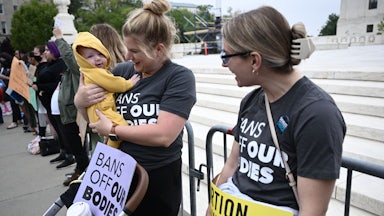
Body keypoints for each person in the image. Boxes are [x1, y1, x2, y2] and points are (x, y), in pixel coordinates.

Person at [206, 6, 346, 216]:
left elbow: (313, 211)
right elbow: (232, 165)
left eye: (226, 56)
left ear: (254, 60)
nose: (225, 65)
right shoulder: (251, 101)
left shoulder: (317, 115)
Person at [74, 0, 196, 214]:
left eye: (134, 51)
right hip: (115, 172)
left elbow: (163, 135)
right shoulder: (123, 71)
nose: (128, 56)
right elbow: (95, 115)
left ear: (158, 50)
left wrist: (112, 130)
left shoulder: (179, 77)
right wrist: (80, 102)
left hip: (156, 177)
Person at [72, 31, 140, 148]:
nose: (97, 59)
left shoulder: (91, 72)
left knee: (112, 132)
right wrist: (129, 83)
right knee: (121, 128)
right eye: (90, 56)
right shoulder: (95, 72)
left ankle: (109, 143)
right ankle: (111, 149)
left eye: (100, 54)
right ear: (82, 60)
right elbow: (114, 83)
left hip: (99, 111)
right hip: (102, 111)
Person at [52, 27, 91, 186]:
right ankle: (81, 170)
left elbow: (67, 55)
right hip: (67, 114)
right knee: (76, 148)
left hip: (73, 115)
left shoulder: (78, 67)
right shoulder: (70, 70)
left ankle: (81, 174)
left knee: (79, 149)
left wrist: (59, 38)